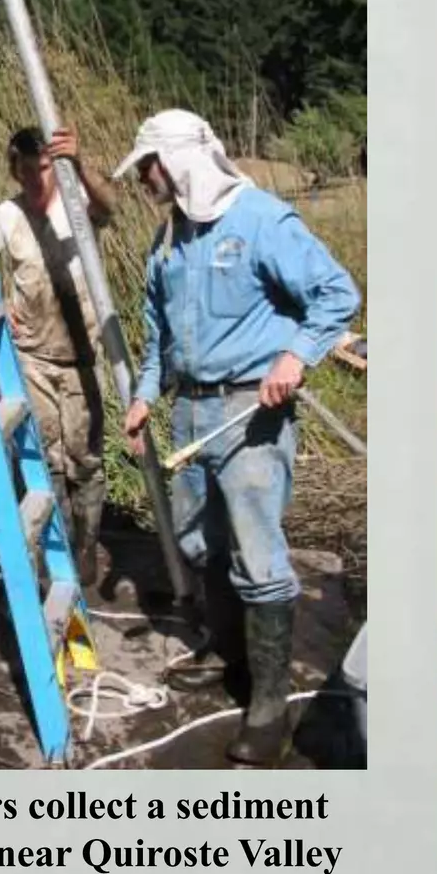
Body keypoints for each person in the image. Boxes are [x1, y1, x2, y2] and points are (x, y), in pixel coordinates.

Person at [115, 110, 360, 767]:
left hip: (252, 409)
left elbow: (337, 295)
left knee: (257, 555)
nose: (143, 178)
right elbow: (157, 340)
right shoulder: (165, 242)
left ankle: (270, 709)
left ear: (177, 161)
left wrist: (296, 357)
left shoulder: (261, 221)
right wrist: (143, 397)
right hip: (190, 414)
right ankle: (232, 660)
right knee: (201, 542)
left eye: (147, 166)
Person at [0, 126, 115, 589]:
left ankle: (86, 546)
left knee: (84, 457)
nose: (37, 179)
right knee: (45, 457)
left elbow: (109, 206)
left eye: (44, 168)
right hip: (33, 358)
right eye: (27, 170)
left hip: (82, 356)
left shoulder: (78, 202)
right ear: (14, 170)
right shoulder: (7, 215)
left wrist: (77, 163)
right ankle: (52, 549)